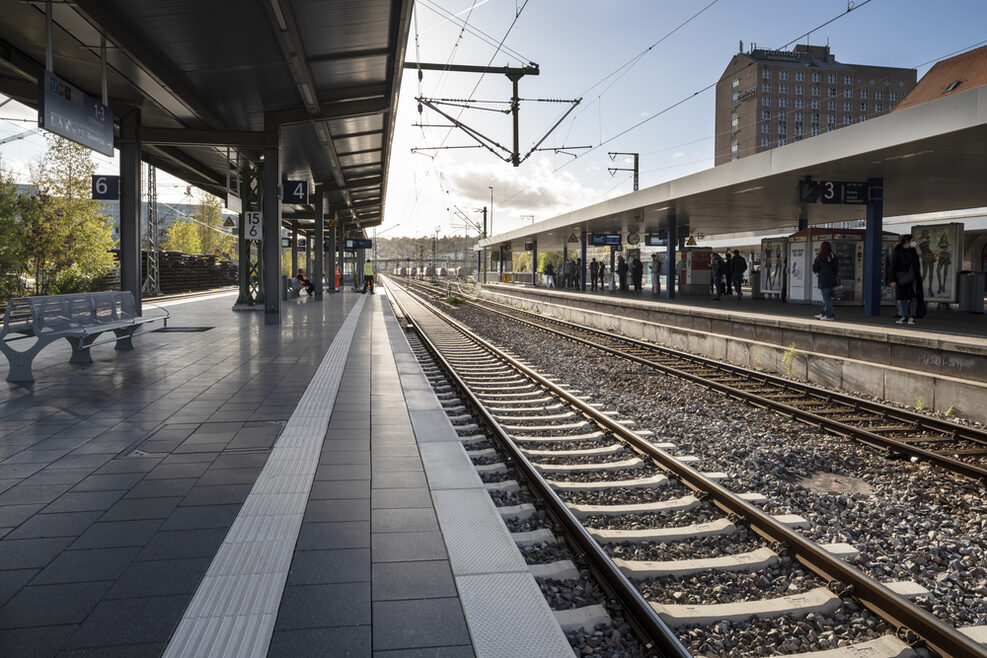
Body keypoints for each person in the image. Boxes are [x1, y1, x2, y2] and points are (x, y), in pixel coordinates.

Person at [889, 234, 922, 325]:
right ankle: (904, 315)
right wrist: (893, 279)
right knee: (903, 297)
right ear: (907, 241)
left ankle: (912, 316)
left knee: (913, 296)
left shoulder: (913, 251)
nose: (913, 242)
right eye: (912, 240)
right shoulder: (897, 251)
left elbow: (916, 264)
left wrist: (917, 275)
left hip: (913, 277)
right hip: (901, 277)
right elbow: (893, 266)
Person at [811, 241, 839, 320]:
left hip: (823, 280)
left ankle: (830, 315)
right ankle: (823, 313)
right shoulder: (833, 257)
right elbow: (836, 269)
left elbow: (815, 269)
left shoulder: (820, 257)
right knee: (828, 298)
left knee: (826, 299)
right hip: (832, 281)